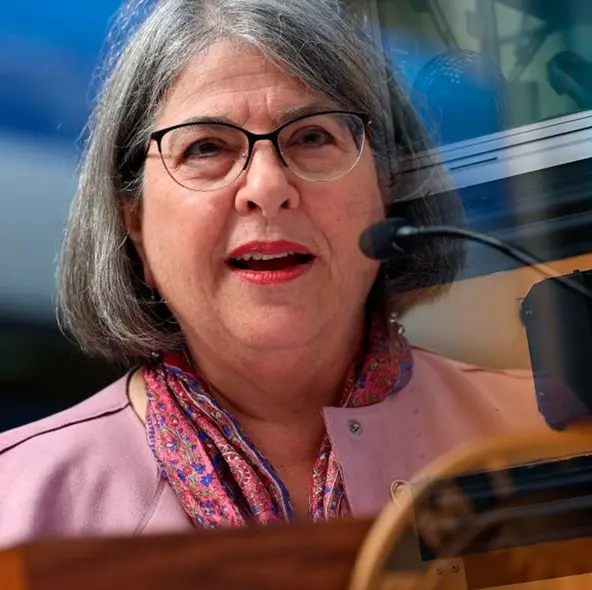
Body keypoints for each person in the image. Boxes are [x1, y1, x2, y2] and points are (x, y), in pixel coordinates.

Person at [0, 0, 545, 547]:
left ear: (388, 187)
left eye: (311, 138)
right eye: (206, 147)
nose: (267, 188)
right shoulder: (18, 506)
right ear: (135, 221)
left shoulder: (540, 437)